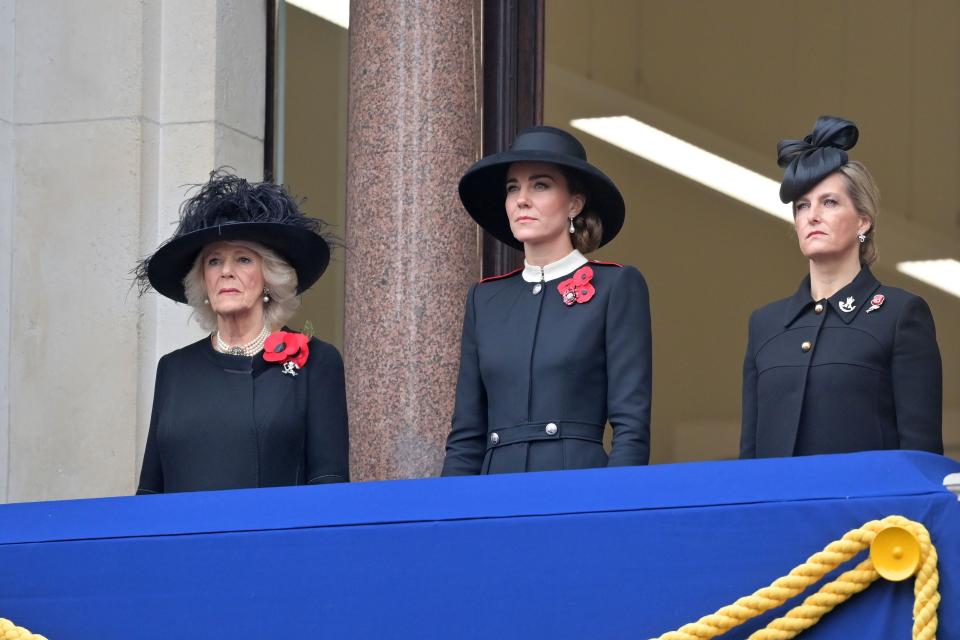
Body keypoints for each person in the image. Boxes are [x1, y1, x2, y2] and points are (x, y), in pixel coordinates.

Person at [441, 125, 652, 475]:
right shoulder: (485, 299)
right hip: (496, 494)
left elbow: (631, 428)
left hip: (578, 489)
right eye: (513, 188)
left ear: (574, 203)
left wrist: (615, 507)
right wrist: (449, 520)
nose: (522, 199)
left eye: (540, 185)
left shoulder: (616, 286)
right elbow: (466, 436)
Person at [740, 116, 943, 458]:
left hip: (868, 512)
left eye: (829, 202)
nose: (812, 215)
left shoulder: (900, 315)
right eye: (802, 206)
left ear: (863, 220)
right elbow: (750, 458)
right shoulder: (765, 324)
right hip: (782, 511)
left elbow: (921, 458)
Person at [135, 170, 349, 493]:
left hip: (274, 542)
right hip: (186, 542)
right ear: (202, 281)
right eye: (214, 261)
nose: (227, 272)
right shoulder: (174, 369)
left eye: (244, 259)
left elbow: (329, 490)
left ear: (270, 277)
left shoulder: (317, 363)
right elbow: (149, 493)